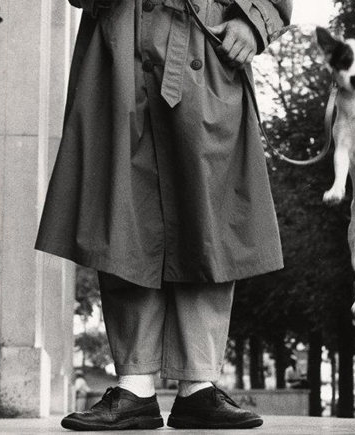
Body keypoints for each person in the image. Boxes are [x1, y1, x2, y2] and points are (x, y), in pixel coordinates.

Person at [35, 0, 293, 431]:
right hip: (119, 47)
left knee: (209, 217)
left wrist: (255, 20)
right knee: (121, 215)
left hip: (207, 46)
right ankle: (134, 385)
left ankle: (199, 385)